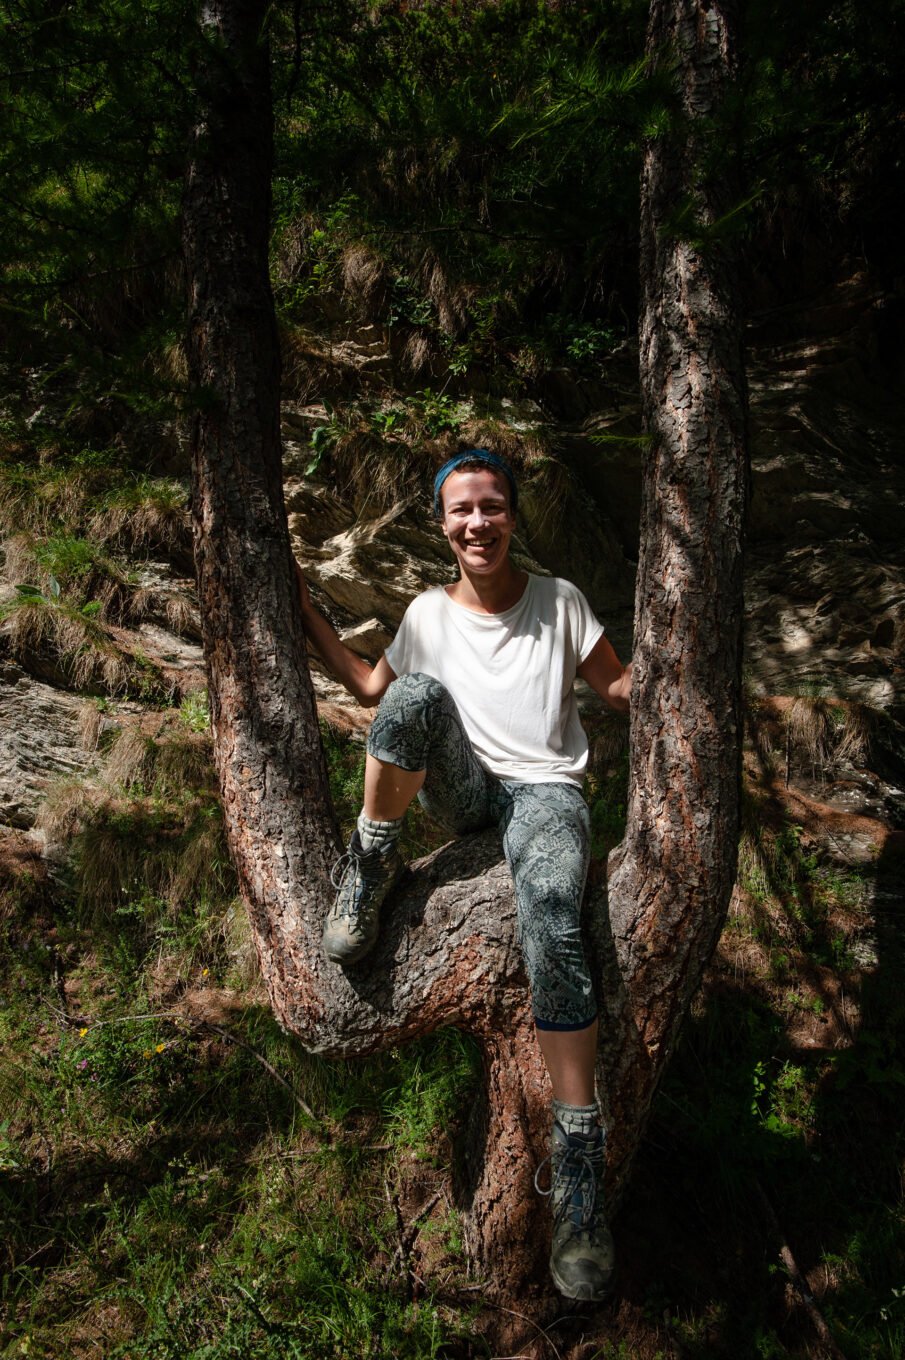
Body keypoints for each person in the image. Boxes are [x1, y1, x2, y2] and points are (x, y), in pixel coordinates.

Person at [296, 448, 632, 1302]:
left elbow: (621, 685)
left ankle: (579, 1154)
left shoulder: (558, 601)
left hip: (546, 791)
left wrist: (701, 664)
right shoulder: (425, 612)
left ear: (513, 515)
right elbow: (377, 690)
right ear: (441, 524)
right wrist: (308, 618)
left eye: (491, 506)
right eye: (460, 510)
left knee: (553, 915)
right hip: (464, 789)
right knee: (412, 700)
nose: (476, 522)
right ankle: (368, 870)